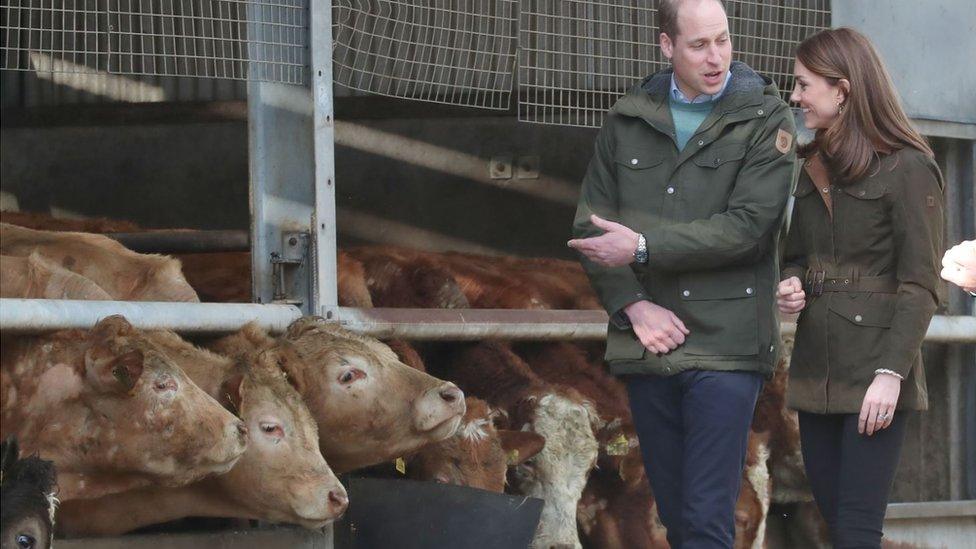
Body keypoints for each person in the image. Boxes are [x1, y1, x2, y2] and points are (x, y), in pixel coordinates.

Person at [567, 0, 797, 546]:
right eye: (699, 45)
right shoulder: (627, 120)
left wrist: (642, 246)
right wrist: (632, 305)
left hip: (726, 345)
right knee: (672, 515)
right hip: (650, 341)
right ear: (666, 46)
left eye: (723, 40)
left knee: (705, 519)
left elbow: (748, 227)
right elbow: (592, 229)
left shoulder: (767, 120)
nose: (716, 57)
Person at [777, 27, 944, 548]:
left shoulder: (909, 166)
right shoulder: (811, 166)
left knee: (855, 529)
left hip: (877, 372)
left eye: (805, 84)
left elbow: (921, 284)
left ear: (843, 90)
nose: (795, 96)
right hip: (817, 366)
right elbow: (799, 257)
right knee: (835, 519)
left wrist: (891, 374)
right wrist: (792, 282)